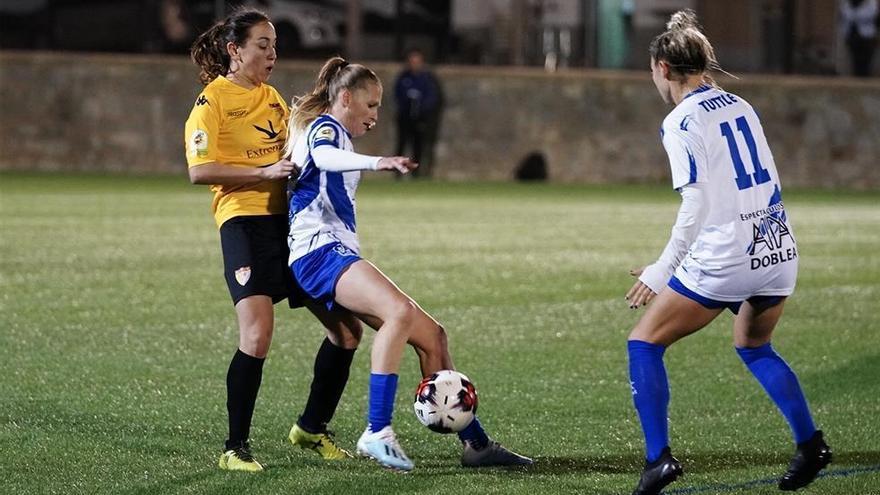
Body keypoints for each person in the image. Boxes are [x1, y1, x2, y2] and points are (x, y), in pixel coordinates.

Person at [284, 56, 533, 472]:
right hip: (317, 252)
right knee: (398, 312)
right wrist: (376, 161)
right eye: (371, 105)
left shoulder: (340, 135)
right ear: (345, 98)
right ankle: (376, 431)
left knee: (433, 336)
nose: (377, 115)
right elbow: (324, 158)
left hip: (334, 252)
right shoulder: (326, 129)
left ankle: (476, 444)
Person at [623, 10, 831, 495]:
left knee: (644, 342)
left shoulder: (679, 122)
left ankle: (659, 460)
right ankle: (811, 444)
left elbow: (696, 201)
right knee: (755, 347)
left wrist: (662, 269)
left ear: (661, 68)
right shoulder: (738, 104)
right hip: (777, 246)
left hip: (727, 257)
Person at [185, 8, 358, 473]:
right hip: (243, 224)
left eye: (275, 45)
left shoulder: (273, 98)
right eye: (262, 45)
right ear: (234, 50)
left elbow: (292, 147)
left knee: (346, 331)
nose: (271, 54)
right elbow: (198, 171)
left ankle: (311, 428)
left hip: (292, 228)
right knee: (258, 334)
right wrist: (261, 173)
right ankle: (234, 448)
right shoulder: (212, 101)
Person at [393, 48, 443, 178]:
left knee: (419, 146)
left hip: (421, 118)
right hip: (405, 117)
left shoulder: (427, 79)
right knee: (402, 144)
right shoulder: (403, 77)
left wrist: (423, 111)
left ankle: (417, 174)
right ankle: (398, 173)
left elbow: (432, 98)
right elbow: (398, 95)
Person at [840, 0, 878, 77]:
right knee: (855, 60)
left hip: (867, 37)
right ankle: (857, 78)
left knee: (866, 61)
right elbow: (846, 15)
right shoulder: (847, 3)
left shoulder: (871, 2)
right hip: (852, 36)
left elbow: (869, 14)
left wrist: (855, 15)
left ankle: (865, 79)